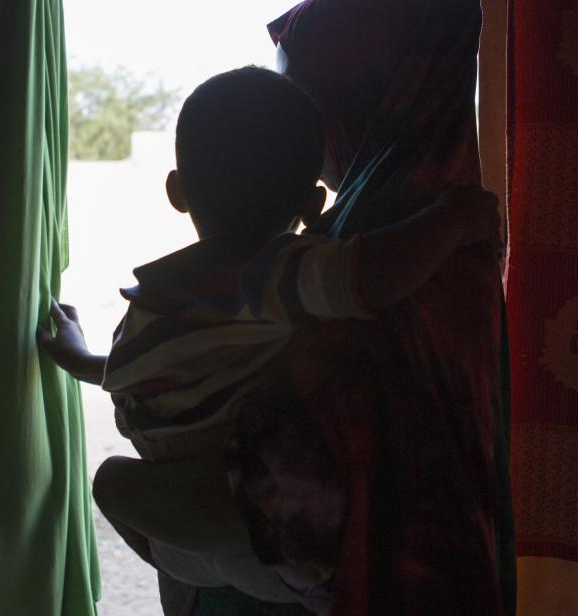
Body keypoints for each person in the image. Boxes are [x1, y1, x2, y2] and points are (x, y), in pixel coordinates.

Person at [37, 66, 501, 606]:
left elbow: (148, 368)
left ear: (178, 192)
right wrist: (453, 218)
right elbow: (371, 275)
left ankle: (214, 568)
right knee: (126, 489)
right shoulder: (277, 273)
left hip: (224, 504)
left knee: (110, 483)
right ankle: (242, 570)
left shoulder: (194, 287)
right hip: (248, 515)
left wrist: (80, 358)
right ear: (312, 205)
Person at [218, 0, 516, 614]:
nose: (291, 135)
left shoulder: (403, 248)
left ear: (364, 97)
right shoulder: (434, 218)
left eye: (302, 103)